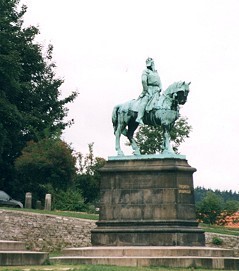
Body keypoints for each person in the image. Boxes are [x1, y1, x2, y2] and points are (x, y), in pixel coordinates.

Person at [136, 58, 162, 125]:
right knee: (145, 101)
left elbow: (159, 81)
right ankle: (139, 117)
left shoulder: (156, 72)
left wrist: (160, 87)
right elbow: (144, 81)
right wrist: (145, 90)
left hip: (157, 90)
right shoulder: (145, 71)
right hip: (149, 89)